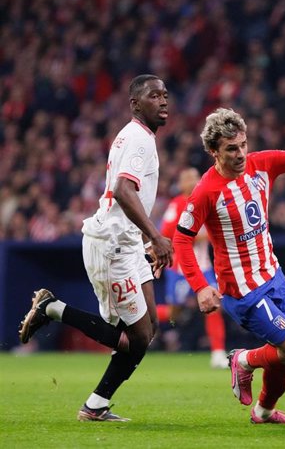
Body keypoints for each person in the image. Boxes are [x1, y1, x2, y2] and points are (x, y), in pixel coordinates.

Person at [172, 94, 285, 425]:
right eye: (231, 149)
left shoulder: (261, 164)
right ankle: (244, 360)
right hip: (243, 291)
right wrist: (200, 287)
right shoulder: (206, 191)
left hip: (273, 275)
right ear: (213, 151)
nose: (240, 154)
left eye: (243, 145)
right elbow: (181, 238)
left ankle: (263, 412)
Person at [19, 74, 173, 422]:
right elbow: (122, 190)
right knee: (133, 338)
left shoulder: (140, 137)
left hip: (129, 242)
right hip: (112, 246)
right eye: (154, 96)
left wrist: (146, 241)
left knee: (148, 329)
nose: (163, 101)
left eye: (165, 95)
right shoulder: (137, 138)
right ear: (135, 104)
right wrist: (157, 237)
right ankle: (53, 308)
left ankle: (96, 405)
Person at [159, 167, 227, 368]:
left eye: (196, 177)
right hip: (181, 268)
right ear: (180, 185)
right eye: (188, 178)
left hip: (204, 266)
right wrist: (200, 236)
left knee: (214, 305)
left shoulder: (209, 199)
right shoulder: (177, 204)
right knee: (174, 313)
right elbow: (166, 233)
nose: (193, 181)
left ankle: (217, 353)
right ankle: (135, 318)